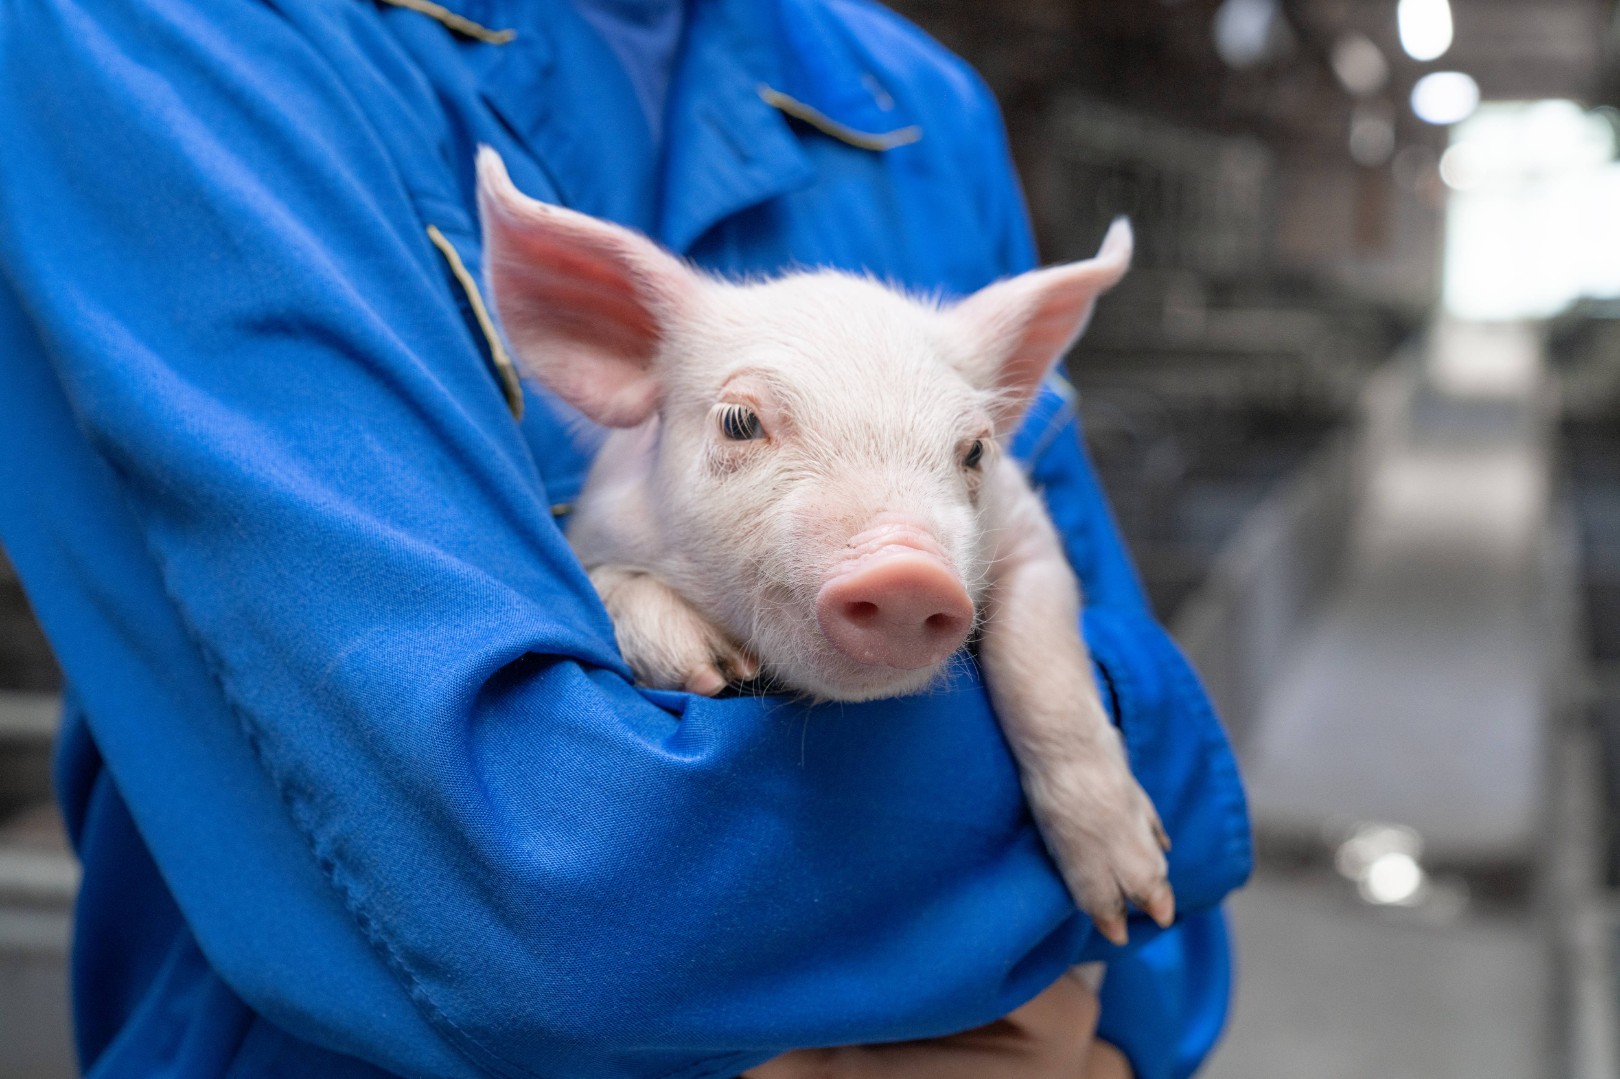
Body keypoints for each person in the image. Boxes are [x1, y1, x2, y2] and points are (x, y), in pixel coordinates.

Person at [0, 1, 1251, 1077]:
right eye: (753, 424)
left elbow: (1164, 921)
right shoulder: (167, 34)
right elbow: (536, 901)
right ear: (589, 331)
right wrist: (1084, 763)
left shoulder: (912, 98)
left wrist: (1099, 1037)